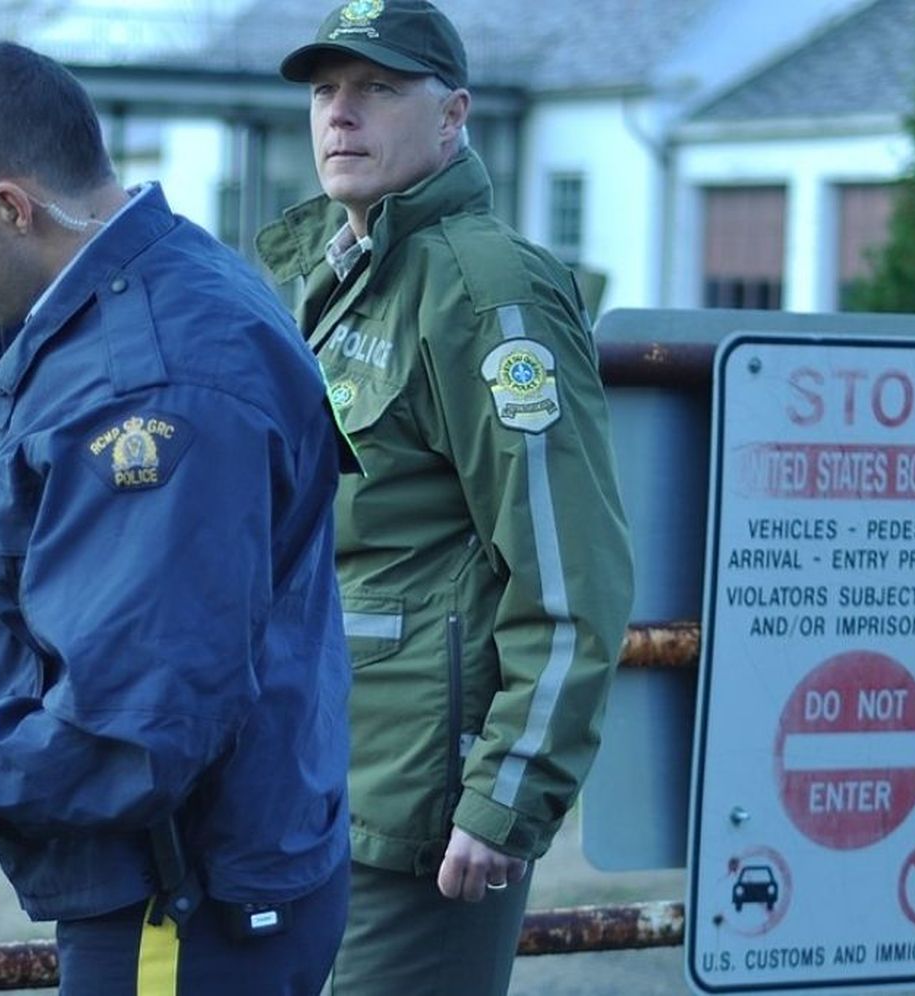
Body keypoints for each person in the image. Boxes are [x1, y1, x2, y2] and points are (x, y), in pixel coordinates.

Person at [0, 40, 352, 996]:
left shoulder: (156, 380)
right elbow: (70, 569)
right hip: (170, 876)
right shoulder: (83, 310)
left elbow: (137, 724)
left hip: (179, 896)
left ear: (12, 206)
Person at [255, 2, 635, 993]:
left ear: (454, 113)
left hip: (423, 803)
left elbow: (567, 561)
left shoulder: (486, 288)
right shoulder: (326, 276)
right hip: (312, 775)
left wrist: (507, 795)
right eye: (326, 90)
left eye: (379, 88)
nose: (342, 115)